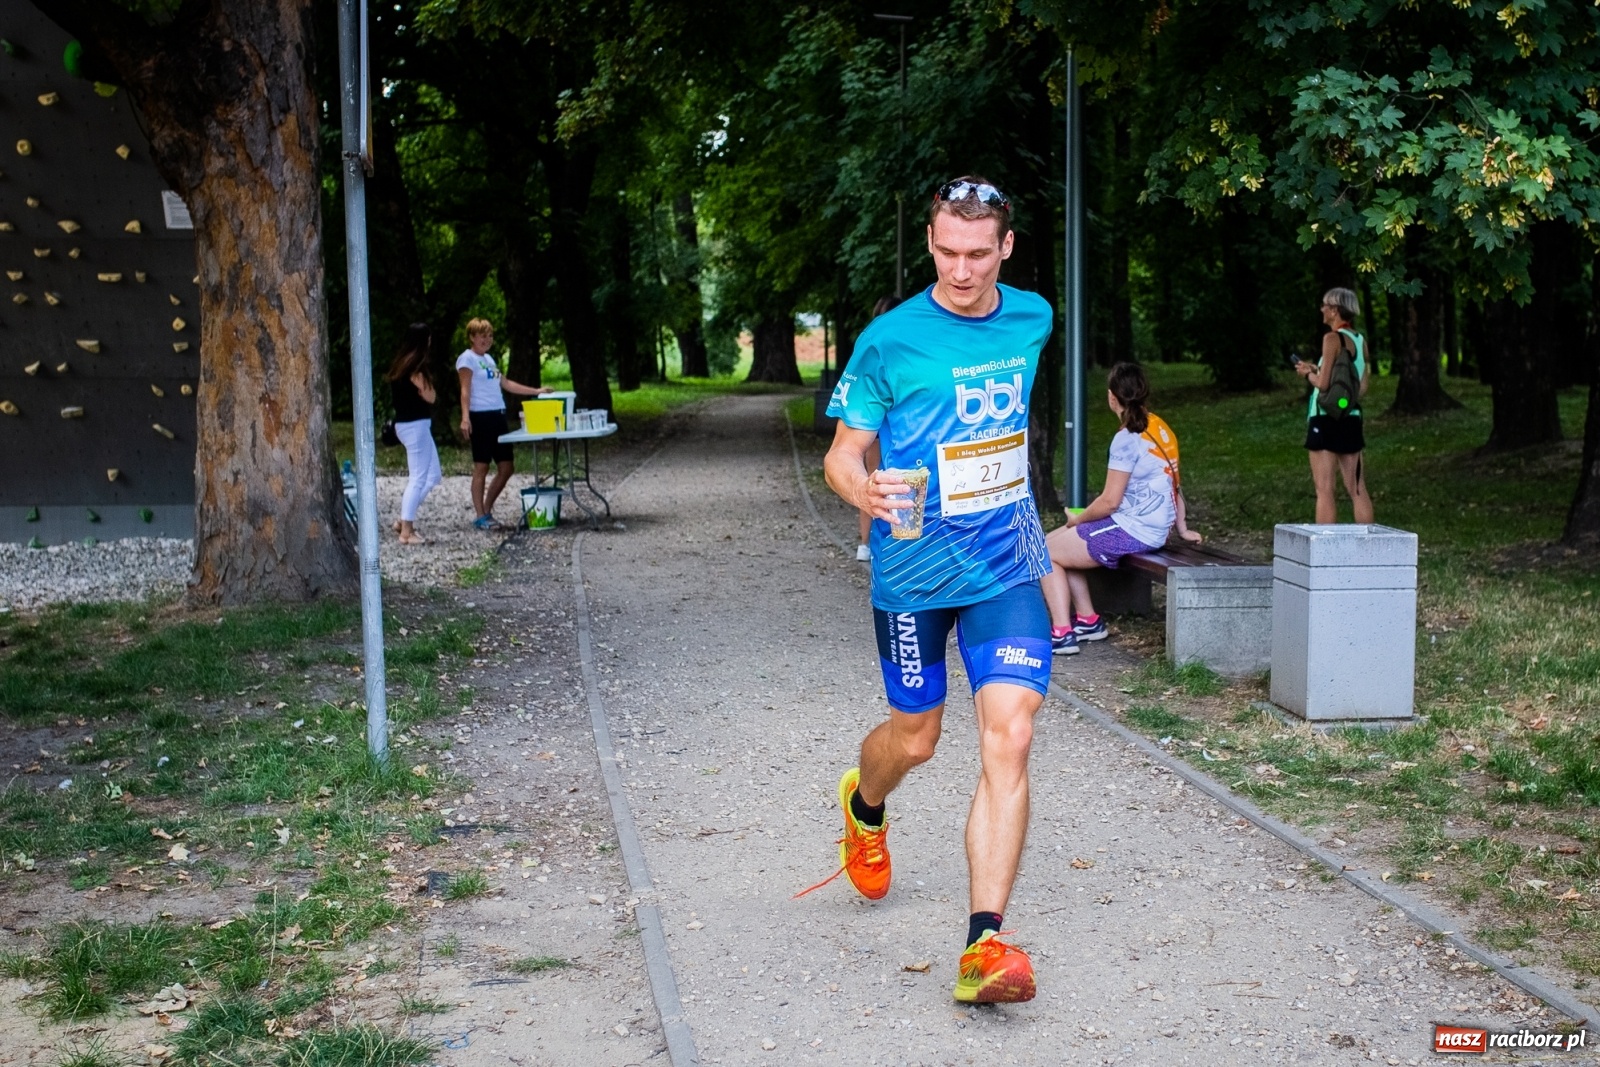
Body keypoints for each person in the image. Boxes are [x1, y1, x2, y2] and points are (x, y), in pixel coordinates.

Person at [811, 177, 1054, 1005]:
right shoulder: (889, 339)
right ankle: (864, 799)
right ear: (929, 240)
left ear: (1006, 248)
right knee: (915, 739)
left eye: (978, 253)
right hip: (913, 567)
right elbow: (844, 454)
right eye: (947, 251)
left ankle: (985, 942)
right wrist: (864, 492)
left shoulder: (1034, 317)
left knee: (1010, 734)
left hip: (1003, 564)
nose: (961, 269)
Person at [1040, 363, 1202, 655]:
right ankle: (1088, 621)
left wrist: (1077, 520)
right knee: (1053, 545)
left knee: (1043, 552)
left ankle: (1062, 633)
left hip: (1135, 530)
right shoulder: (1159, 426)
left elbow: (1109, 501)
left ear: (1112, 398)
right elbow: (1173, 483)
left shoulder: (1127, 439)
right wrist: (1181, 527)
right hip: (1153, 528)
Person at [456, 317, 550, 530]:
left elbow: (506, 383)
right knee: (481, 466)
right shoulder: (467, 359)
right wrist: (465, 418)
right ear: (472, 337)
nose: (487, 340)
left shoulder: (489, 359)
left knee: (507, 466)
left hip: (498, 416)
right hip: (480, 417)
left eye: (490, 335)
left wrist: (536, 391)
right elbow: (465, 390)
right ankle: (480, 515)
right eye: (482, 336)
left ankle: (487, 508)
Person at [1295, 287, 1374, 524]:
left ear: (1335, 310)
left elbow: (1323, 383)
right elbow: (1361, 386)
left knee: (1325, 490)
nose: (1321, 309)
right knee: (1357, 489)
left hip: (1324, 418)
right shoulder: (1360, 342)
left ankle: (1324, 557)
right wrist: (1316, 369)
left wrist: (1307, 375)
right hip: (1351, 417)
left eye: (1324, 305)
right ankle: (1370, 551)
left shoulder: (1331, 339)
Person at [854, 295, 903, 562]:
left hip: (874, 421)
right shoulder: (905, 345)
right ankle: (887, 538)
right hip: (889, 420)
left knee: (873, 478)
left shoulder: (871, 343)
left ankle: (866, 544)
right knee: (888, 478)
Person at [387, 322, 441, 545]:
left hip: (406, 425)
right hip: (416, 426)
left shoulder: (400, 366)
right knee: (418, 477)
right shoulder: (416, 370)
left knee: (433, 474)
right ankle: (406, 532)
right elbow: (431, 397)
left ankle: (403, 519)